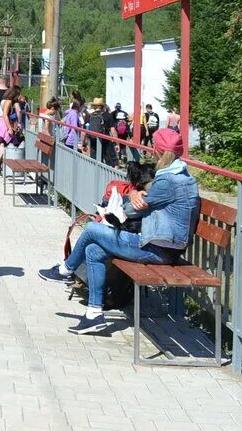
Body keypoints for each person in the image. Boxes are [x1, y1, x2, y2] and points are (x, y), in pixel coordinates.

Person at [39, 127, 200, 334]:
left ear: (156, 150)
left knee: (92, 229)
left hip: (158, 251)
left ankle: (66, 270)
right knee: (93, 251)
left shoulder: (168, 181)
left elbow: (131, 211)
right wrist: (136, 193)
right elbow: (147, 204)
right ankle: (94, 315)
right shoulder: (183, 176)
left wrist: (133, 195)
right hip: (163, 246)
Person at [85, 98, 110, 162]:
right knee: (107, 161)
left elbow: (84, 131)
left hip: (93, 139)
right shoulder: (107, 115)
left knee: (94, 159)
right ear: (102, 106)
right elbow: (113, 130)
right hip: (105, 140)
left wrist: (83, 143)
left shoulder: (89, 116)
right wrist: (117, 143)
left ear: (93, 106)